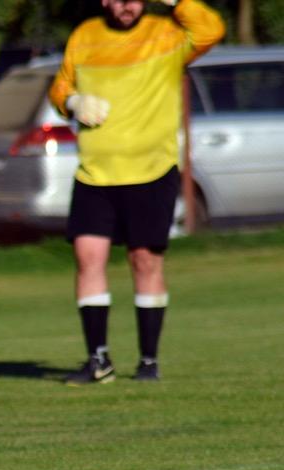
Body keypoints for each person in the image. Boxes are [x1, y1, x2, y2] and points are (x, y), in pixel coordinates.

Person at [48, 0, 224, 384]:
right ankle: (98, 360)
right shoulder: (86, 35)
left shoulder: (167, 33)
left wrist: (177, 2)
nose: (125, 6)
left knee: (144, 260)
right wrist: (72, 102)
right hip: (95, 174)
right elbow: (60, 87)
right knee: (87, 256)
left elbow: (211, 30)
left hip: (151, 171)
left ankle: (148, 361)